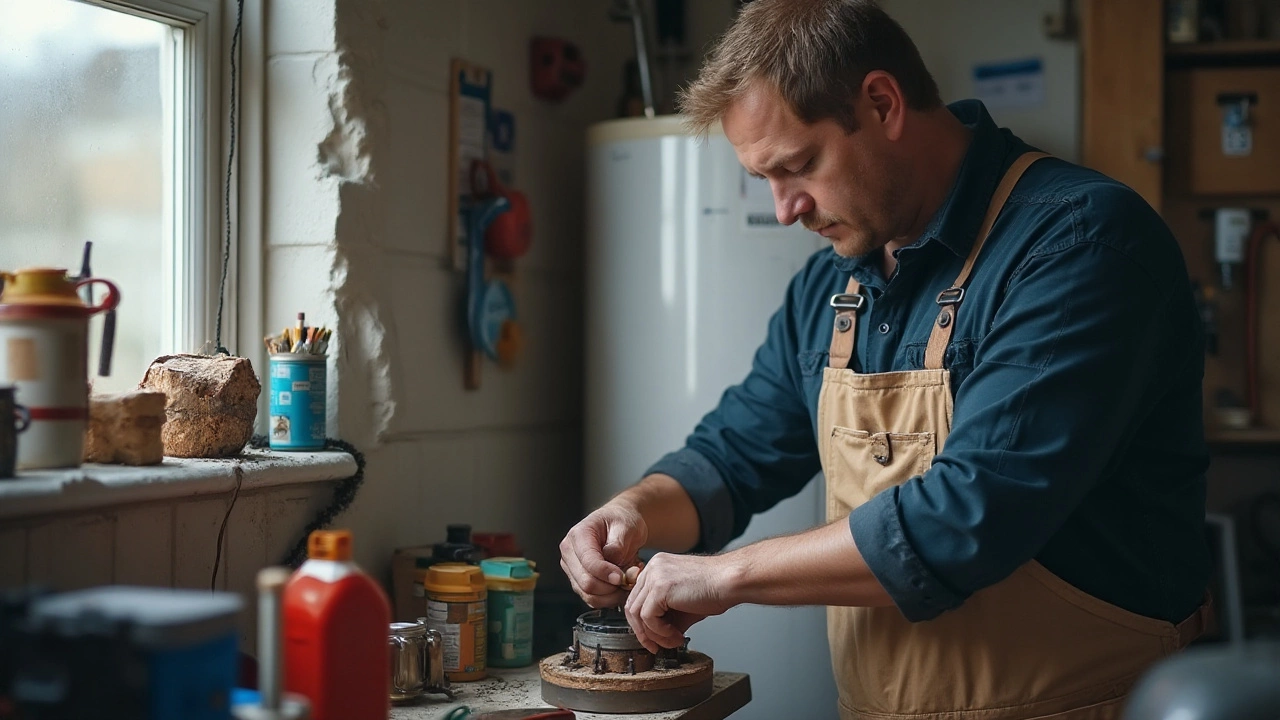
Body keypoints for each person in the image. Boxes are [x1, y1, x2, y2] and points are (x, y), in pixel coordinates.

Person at [559, 0, 1213, 717]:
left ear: (881, 103)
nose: (785, 210)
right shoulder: (830, 286)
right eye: (764, 181)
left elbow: (967, 517)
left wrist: (727, 575)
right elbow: (731, 459)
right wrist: (632, 514)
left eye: (798, 166)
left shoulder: (1080, 245)